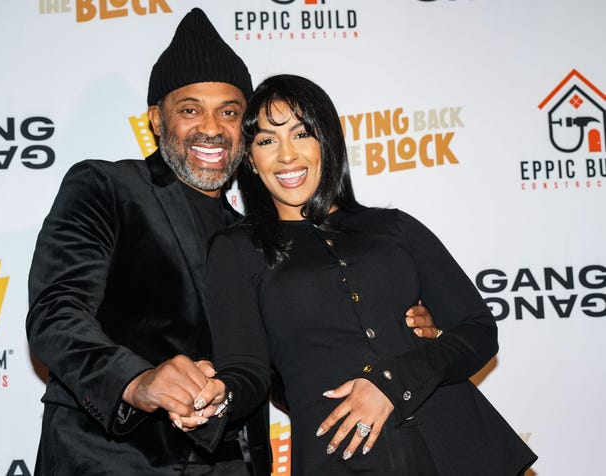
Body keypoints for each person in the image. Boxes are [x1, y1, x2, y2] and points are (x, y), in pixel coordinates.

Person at [194, 75, 538, 475]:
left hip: (461, 447)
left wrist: (391, 381)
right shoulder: (236, 250)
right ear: (251, 160)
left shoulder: (393, 228)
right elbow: (248, 370)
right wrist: (220, 393)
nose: (286, 155)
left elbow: (478, 329)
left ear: (327, 142)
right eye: (267, 140)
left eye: (301, 134)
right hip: (342, 458)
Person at [26, 8, 267, 475]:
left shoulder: (255, 235)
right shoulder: (107, 187)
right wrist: (136, 381)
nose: (212, 128)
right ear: (157, 119)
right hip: (113, 460)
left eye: (230, 111)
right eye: (190, 109)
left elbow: (277, 360)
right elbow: (57, 312)